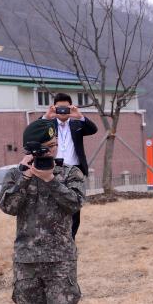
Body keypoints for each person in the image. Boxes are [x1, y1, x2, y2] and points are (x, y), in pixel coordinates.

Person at [0, 119, 86, 304]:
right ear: (30, 149)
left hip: (59, 258)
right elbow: (8, 207)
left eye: (53, 146)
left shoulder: (70, 173)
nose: (50, 152)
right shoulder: (16, 175)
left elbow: (74, 204)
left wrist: (51, 180)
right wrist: (25, 177)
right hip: (26, 259)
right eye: (44, 148)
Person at [43, 93, 97, 238]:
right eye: (59, 108)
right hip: (53, 170)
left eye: (65, 108)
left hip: (75, 170)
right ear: (54, 108)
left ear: (71, 107)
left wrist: (80, 116)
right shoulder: (48, 124)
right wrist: (46, 117)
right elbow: (34, 131)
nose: (62, 111)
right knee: (54, 204)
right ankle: (55, 238)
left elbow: (93, 129)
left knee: (74, 206)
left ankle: (71, 239)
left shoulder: (77, 124)